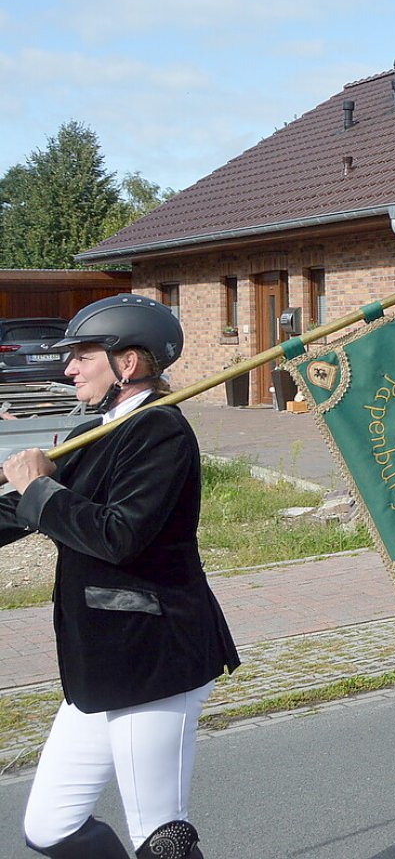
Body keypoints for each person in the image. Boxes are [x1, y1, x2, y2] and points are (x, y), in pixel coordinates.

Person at [0, 295, 238, 858]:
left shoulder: (161, 433)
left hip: (154, 656)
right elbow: (24, 511)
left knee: (161, 837)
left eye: (82, 355)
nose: (68, 368)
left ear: (127, 363)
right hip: (101, 663)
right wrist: (34, 492)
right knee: (50, 829)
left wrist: (40, 489)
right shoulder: (102, 429)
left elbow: (116, 535)